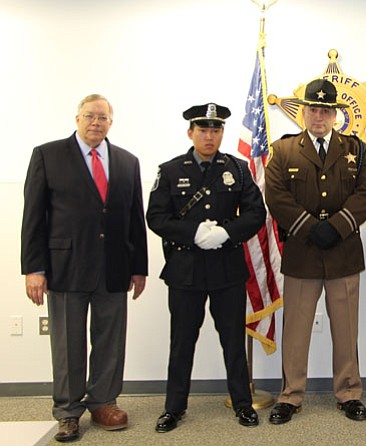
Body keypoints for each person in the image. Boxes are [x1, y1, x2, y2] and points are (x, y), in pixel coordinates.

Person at [21, 94, 148, 443]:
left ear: (111, 122)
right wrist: (34, 268)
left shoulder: (126, 161)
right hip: (65, 266)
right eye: (90, 116)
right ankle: (67, 411)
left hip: (114, 267)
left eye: (103, 117)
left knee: (110, 340)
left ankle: (104, 402)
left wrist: (139, 267)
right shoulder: (47, 155)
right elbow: (33, 216)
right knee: (67, 343)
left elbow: (134, 218)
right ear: (77, 118)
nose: (96, 122)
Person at [146, 103, 266, 431]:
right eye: (203, 130)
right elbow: (155, 217)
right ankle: (174, 408)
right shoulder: (170, 170)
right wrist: (193, 232)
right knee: (182, 341)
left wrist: (228, 233)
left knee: (232, 340)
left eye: (216, 130)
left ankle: (242, 403)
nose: (209, 136)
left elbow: (257, 212)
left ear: (222, 133)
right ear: (191, 132)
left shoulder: (238, 169)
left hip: (227, 268)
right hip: (185, 270)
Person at [264, 79, 366, 424]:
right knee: (295, 329)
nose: (319, 115)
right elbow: (276, 196)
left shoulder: (356, 150)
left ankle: (348, 393)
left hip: (342, 251)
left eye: (326, 110)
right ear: (303, 112)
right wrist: (313, 228)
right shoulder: (284, 151)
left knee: (346, 328)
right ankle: (291, 395)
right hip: (303, 251)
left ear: (335, 115)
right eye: (313, 108)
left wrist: (338, 225)